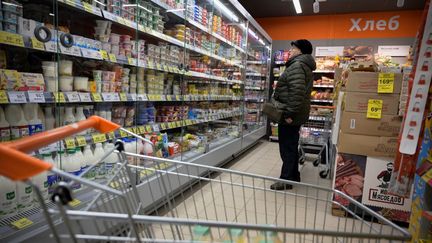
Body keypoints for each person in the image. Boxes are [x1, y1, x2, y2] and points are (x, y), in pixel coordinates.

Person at [270, 39, 316, 190]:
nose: (290, 51)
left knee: (287, 148)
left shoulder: (297, 66)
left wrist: (289, 114)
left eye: (293, 48)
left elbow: (296, 93)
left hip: (290, 115)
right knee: (291, 145)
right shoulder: (303, 65)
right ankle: (294, 175)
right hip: (295, 113)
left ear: (300, 51)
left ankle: (286, 180)